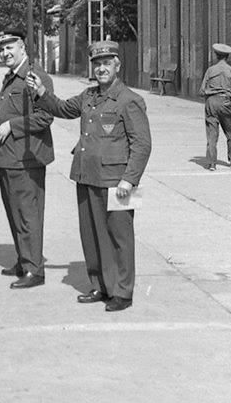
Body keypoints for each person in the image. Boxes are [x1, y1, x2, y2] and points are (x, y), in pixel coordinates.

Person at [26, 40, 151, 312]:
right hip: (87, 176)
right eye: (97, 64)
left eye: (106, 63)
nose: (101, 69)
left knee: (120, 237)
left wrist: (129, 180)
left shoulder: (130, 100)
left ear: (117, 66)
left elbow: (142, 145)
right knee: (92, 235)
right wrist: (41, 92)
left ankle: (122, 292)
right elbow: (62, 109)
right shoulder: (89, 96)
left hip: (119, 182)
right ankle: (101, 285)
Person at [0, 29, 54, 290]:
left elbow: (45, 116)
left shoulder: (35, 77)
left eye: (10, 47)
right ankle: (24, 261)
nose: (5, 53)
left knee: (28, 215)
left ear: (23, 47)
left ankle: (34, 270)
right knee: (15, 214)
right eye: (1, 49)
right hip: (8, 157)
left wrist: (11, 125)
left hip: (26, 159)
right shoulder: (12, 77)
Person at [199, 43, 231, 171]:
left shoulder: (210, 70)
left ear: (216, 56)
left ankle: (212, 163)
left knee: (211, 134)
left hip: (211, 102)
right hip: (226, 102)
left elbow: (202, 90)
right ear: (228, 57)